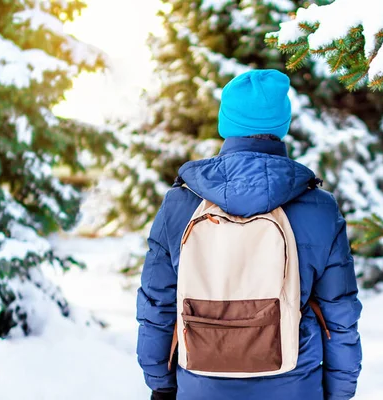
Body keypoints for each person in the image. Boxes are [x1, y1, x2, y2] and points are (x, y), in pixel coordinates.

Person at [137, 69, 362, 400]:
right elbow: (339, 312)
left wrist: (160, 382)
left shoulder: (180, 204)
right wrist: (340, 391)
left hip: (201, 383)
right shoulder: (319, 208)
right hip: (295, 383)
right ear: (281, 125)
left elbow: (156, 304)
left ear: (227, 124)